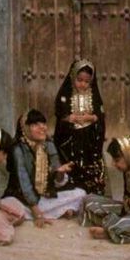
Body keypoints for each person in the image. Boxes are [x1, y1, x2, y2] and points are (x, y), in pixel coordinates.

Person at [3, 109, 86, 228]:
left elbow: (57, 183)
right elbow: (24, 183)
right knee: (9, 205)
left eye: (43, 123)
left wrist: (59, 174)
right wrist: (37, 213)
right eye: (35, 124)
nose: (42, 128)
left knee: (81, 193)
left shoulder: (49, 144)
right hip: (22, 198)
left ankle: (53, 210)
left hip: (44, 197)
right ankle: (57, 211)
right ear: (25, 128)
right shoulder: (18, 150)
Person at [54, 59, 106, 195]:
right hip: (71, 138)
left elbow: (100, 114)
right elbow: (60, 113)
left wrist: (92, 118)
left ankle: (91, 192)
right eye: (79, 80)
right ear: (72, 77)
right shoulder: (65, 95)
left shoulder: (94, 96)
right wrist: (69, 118)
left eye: (87, 81)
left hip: (89, 138)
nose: (83, 84)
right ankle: (70, 190)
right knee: (72, 165)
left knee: (90, 165)